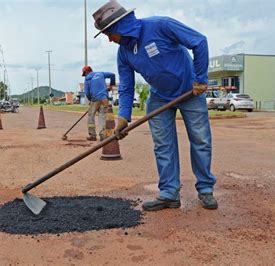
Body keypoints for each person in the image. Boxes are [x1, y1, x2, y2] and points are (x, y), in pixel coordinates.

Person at [92, 1, 218, 210]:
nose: (109, 39)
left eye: (109, 33)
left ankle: (205, 189)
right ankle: (169, 193)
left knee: (201, 140)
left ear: (119, 26)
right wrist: (123, 117)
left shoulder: (161, 25)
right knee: (163, 145)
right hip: (159, 97)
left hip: (190, 91)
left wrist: (201, 79)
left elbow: (199, 42)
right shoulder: (124, 52)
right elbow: (126, 87)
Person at [82, 65, 116, 141]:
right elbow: (112, 75)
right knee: (102, 117)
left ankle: (93, 135)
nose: (85, 76)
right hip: (104, 99)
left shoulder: (87, 79)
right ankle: (103, 136)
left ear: (86, 72)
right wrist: (111, 86)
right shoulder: (101, 74)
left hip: (95, 99)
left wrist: (91, 100)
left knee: (91, 117)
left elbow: (87, 93)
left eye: (84, 74)